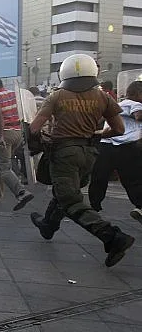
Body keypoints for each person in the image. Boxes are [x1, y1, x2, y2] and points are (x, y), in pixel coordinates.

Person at [29, 54, 135, 266]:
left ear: (64, 73)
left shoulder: (57, 96)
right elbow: (119, 129)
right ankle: (48, 225)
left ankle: (112, 236)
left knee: (70, 200)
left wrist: (42, 139)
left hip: (64, 153)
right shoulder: (103, 97)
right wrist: (96, 134)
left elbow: (34, 127)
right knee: (67, 190)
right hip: (89, 153)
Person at [88, 81, 142, 220]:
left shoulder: (117, 104)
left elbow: (101, 119)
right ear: (138, 94)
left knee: (99, 176)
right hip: (126, 145)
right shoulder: (133, 103)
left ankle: (94, 205)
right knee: (132, 179)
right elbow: (138, 115)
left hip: (108, 144)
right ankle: (140, 205)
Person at [0, 76, 34, 210]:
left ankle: (21, 192)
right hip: (17, 133)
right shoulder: (14, 94)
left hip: (4, 133)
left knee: (4, 167)